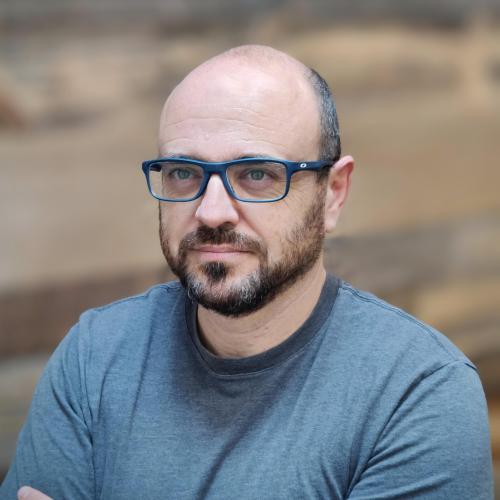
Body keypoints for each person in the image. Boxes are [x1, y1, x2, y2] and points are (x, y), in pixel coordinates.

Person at [1, 45, 493, 500]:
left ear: (333, 193)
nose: (212, 211)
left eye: (257, 174)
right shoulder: (96, 355)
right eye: (184, 172)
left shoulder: (419, 393)